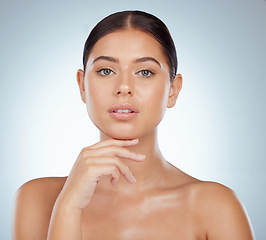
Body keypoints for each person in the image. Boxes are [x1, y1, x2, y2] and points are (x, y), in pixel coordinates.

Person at [12, 10, 255, 240]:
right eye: (106, 70)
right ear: (82, 85)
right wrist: (68, 207)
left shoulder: (217, 207)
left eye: (145, 72)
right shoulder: (38, 200)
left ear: (173, 90)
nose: (124, 87)